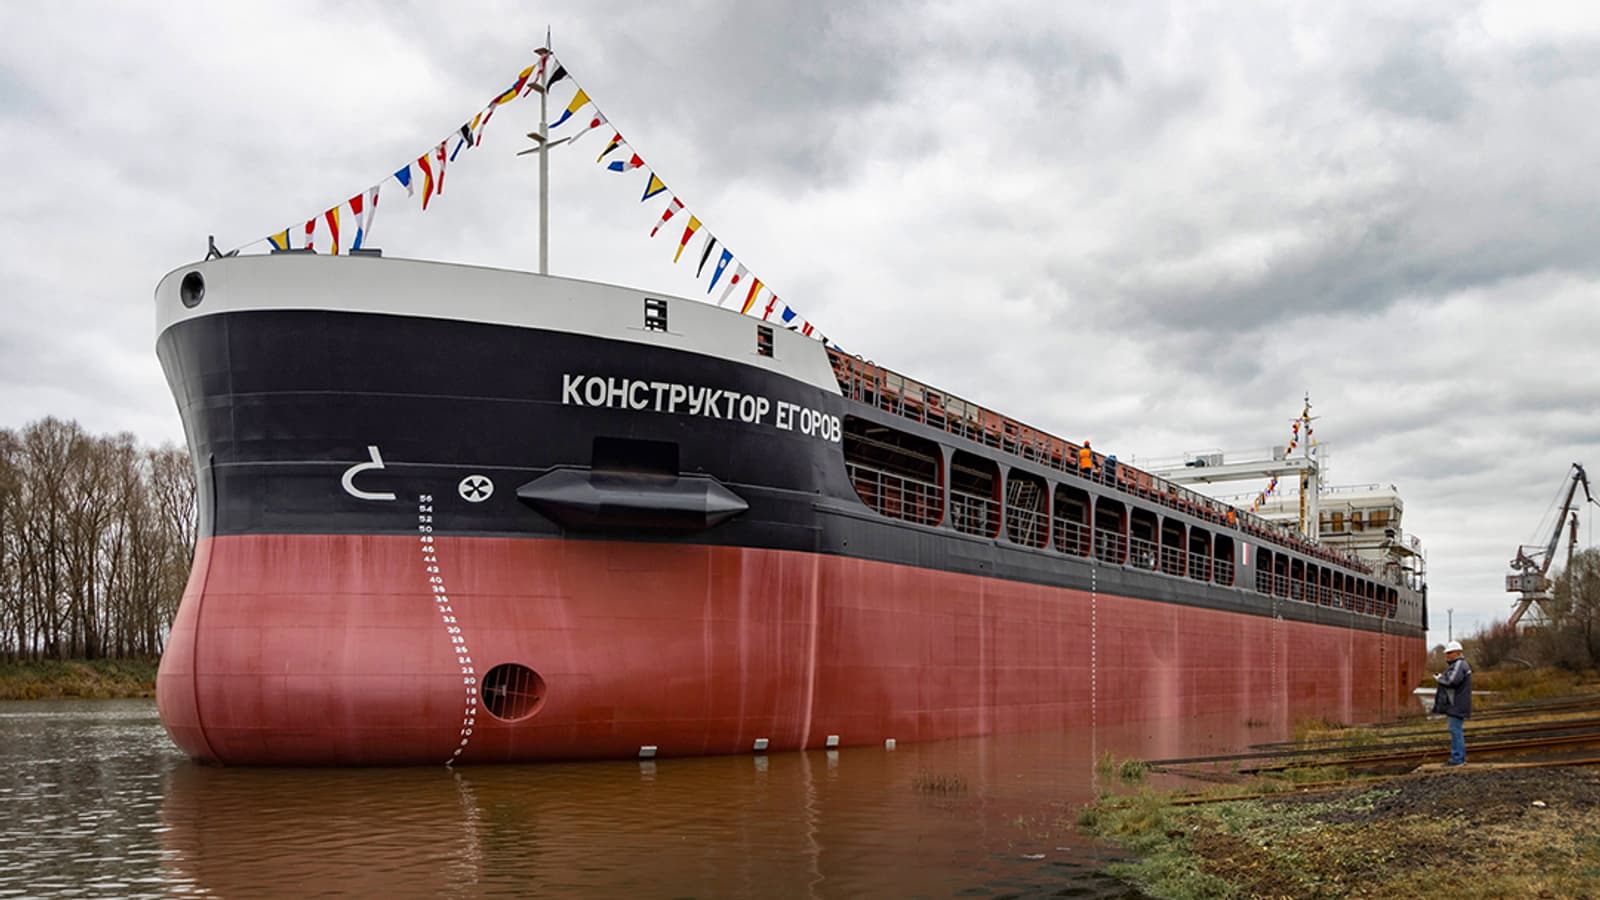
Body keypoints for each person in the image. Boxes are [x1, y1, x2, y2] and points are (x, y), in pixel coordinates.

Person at [1432, 640, 1472, 766]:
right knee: (1456, 731)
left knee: (1455, 731)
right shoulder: (1458, 665)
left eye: (1450, 653)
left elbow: (1451, 681)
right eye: (1447, 653)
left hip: (1456, 704)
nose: (1447, 655)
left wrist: (1440, 678)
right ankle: (1459, 758)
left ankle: (1457, 759)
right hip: (1456, 704)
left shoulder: (1459, 664)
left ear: (1458, 653)